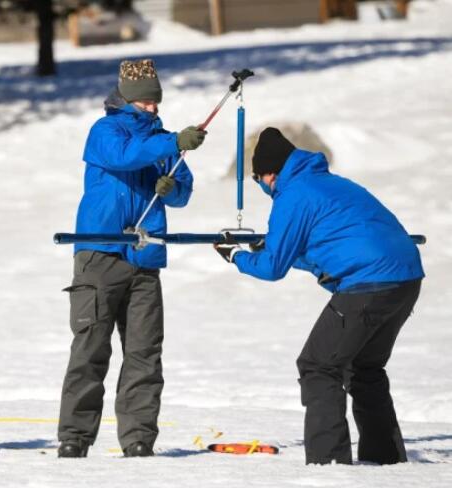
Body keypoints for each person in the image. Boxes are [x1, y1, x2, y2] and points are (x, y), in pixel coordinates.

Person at [214, 127, 424, 465]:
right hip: (405, 279)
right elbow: (324, 248)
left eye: (259, 180)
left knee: (318, 366)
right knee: (364, 367)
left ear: (269, 173)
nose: (263, 187)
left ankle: (328, 465)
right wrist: (273, 248)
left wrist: (235, 256)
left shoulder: (293, 194)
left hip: (367, 284)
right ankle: (385, 460)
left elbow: (271, 269)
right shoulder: (332, 184)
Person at [57, 59, 206, 458]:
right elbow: (125, 157)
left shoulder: (161, 139)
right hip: (100, 254)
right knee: (90, 350)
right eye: (145, 103)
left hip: (145, 256)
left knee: (144, 353)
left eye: (155, 102)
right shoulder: (105, 131)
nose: (153, 108)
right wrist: (173, 143)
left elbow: (182, 193)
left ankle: (139, 438)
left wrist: (170, 185)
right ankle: (75, 437)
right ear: (126, 99)